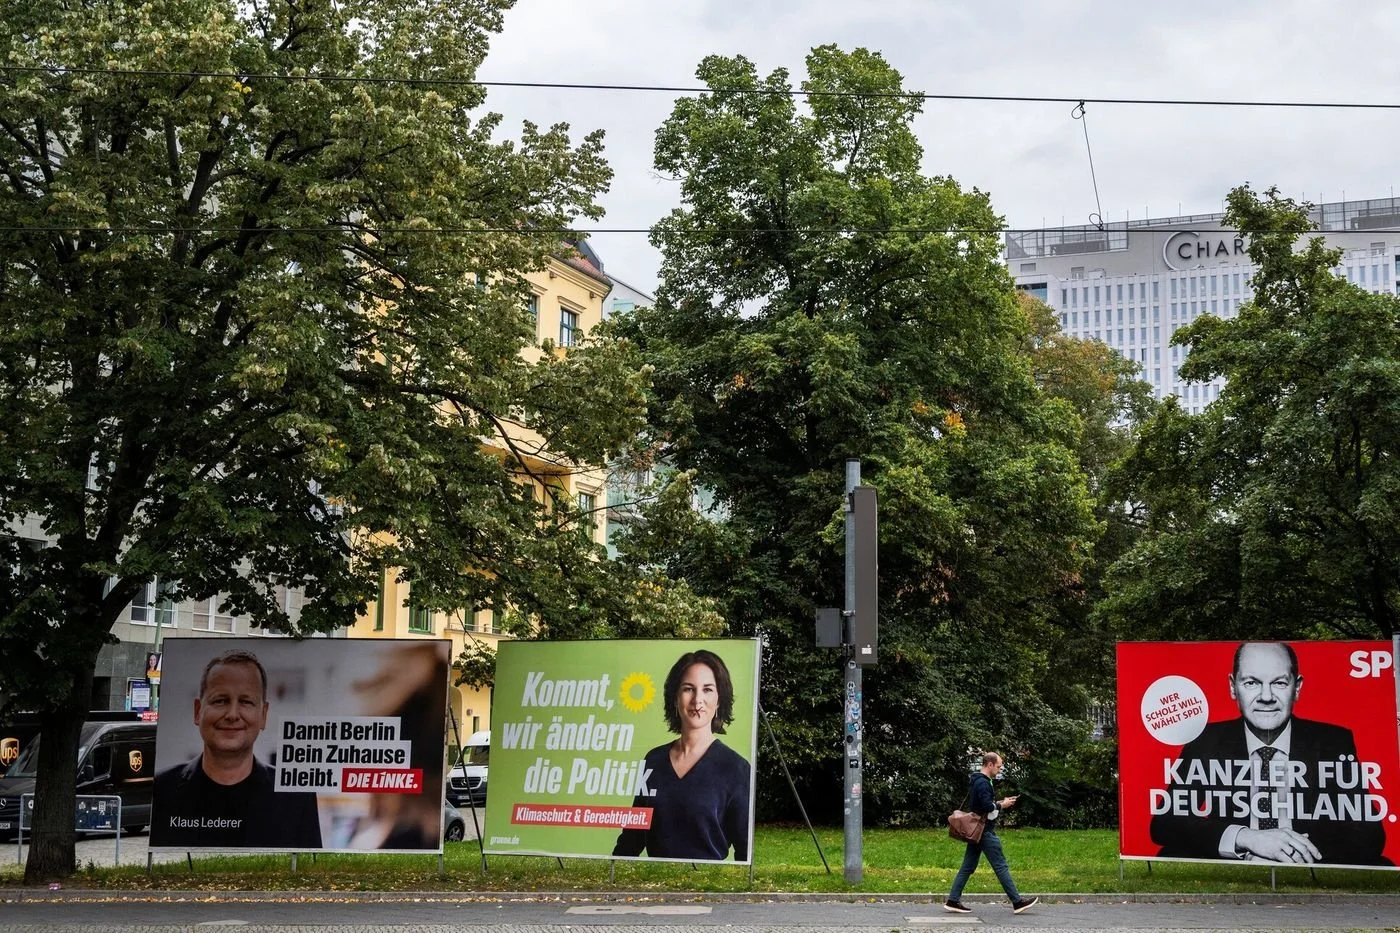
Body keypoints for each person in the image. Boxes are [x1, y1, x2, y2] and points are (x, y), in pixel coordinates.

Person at [1149, 641, 1388, 865]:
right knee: (1168, 853)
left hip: (1307, 859)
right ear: (1233, 687)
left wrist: (1288, 851)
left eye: (1279, 683)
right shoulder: (1206, 740)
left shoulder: (1332, 742)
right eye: (1251, 682)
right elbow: (1164, 824)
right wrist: (1247, 839)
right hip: (1234, 858)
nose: (1266, 697)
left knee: (1382, 864)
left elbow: (1370, 834)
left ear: (1297, 687)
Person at [151, 649, 322, 848]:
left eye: (246, 702)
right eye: (220, 700)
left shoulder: (297, 799)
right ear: (198, 711)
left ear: (263, 715)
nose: (232, 714)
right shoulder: (162, 790)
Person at [612, 649, 751, 861]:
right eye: (688, 689)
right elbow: (632, 837)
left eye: (707, 690)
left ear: (719, 700)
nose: (698, 700)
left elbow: (745, 851)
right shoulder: (653, 761)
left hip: (707, 887)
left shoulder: (736, 768)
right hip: (654, 886)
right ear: (675, 698)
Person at [944, 752, 1038, 915]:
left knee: (967, 867)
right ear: (990, 765)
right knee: (1001, 866)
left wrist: (1001, 802)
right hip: (984, 831)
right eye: (999, 766)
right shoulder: (983, 783)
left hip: (977, 830)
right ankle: (1017, 902)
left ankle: (953, 900)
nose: (1000, 770)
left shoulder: (977, 780)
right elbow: (987, 807)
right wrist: (1003, 805)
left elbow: (982, 805)